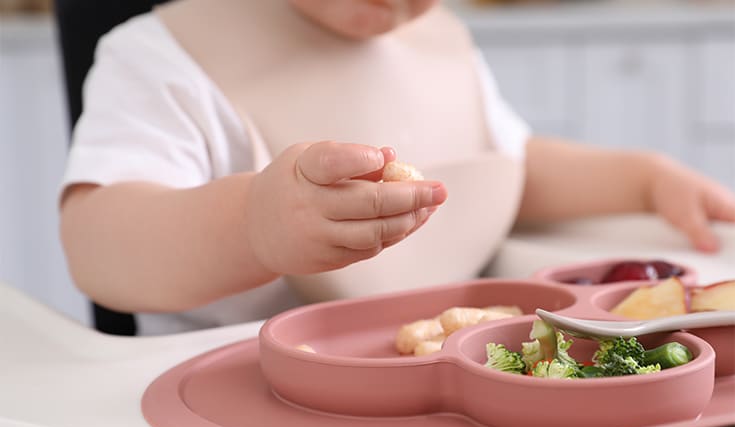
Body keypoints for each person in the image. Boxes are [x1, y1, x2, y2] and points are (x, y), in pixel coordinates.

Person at [59, 0, 735, 335]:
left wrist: (641, 177)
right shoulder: (160, 59)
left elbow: (506, 167)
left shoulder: (436, 42)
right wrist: (250, 224)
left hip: (447, 367)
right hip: (239, 385)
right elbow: (97, 243)